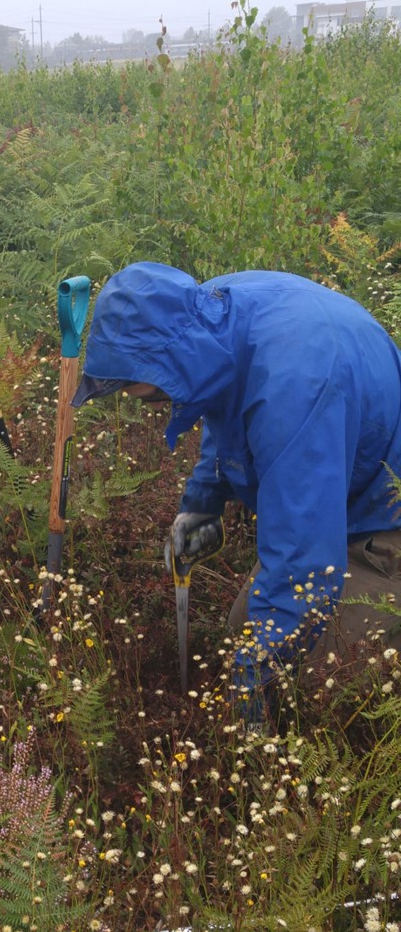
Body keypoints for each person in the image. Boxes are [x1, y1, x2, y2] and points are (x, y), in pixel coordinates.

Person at [72, 261, 401, 713]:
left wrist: (250, 689)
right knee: (242, 632)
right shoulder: (211, 312)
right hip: (330, 481)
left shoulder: (295, 385)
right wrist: (202, 501)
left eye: (142, 388)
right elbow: (225, 402)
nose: (140, 398)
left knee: (323, 688)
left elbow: (303, 560)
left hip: (383, 513)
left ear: (174, 356)